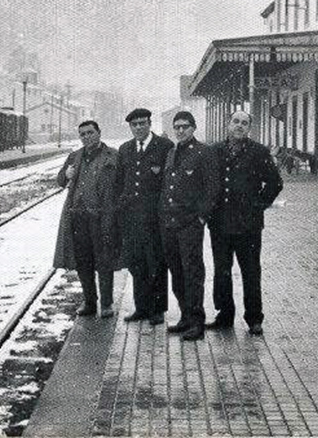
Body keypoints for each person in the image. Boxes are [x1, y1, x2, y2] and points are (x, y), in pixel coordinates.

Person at [206, 110, 283, 335]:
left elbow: (275, 183)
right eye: (235, 122)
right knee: (222, 271)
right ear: (228, 124)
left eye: (244, 123)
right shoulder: (215, 152)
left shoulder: (258, 152)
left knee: (250, 271)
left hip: (248, 225)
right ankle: (225, 315)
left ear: (249, 128)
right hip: (219, 224)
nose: (239, 126)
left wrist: (258, 205)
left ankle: (254, 319)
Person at [159, 111, 219, 341]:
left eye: (185, 126)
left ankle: (197, 322)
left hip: (189, 224)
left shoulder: (204, 152)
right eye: (177, 127)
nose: (180, 130)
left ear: (193, 128)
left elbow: (212, 188)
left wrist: (201, 218)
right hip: (170, 222)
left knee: (192, 272)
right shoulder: (172, 153)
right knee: (177, 272)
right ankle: (185, 316)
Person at [54, 120, 119, 318]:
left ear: (99, 133)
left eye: (90, 133)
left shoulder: (113, 155)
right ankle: (90, 301)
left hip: (102, 217)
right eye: (82, 134)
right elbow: (59, 181)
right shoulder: (75, 156)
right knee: (83, 261)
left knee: (104, 259)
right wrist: (66, 174)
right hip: (78, 216)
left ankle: (106, 304)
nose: (86, 137)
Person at [116, 108, 174, 325]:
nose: (139, 128)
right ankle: (141, 307)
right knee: (136, 262)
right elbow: (120, 183)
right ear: (130, 127)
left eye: (142, 123)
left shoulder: (165, 146)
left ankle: (158, 309)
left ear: (150, 124)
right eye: (134, 125)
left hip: (156, 218)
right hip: (132, 218)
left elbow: (170, 182)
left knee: (157, 262)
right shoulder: (125, 149)